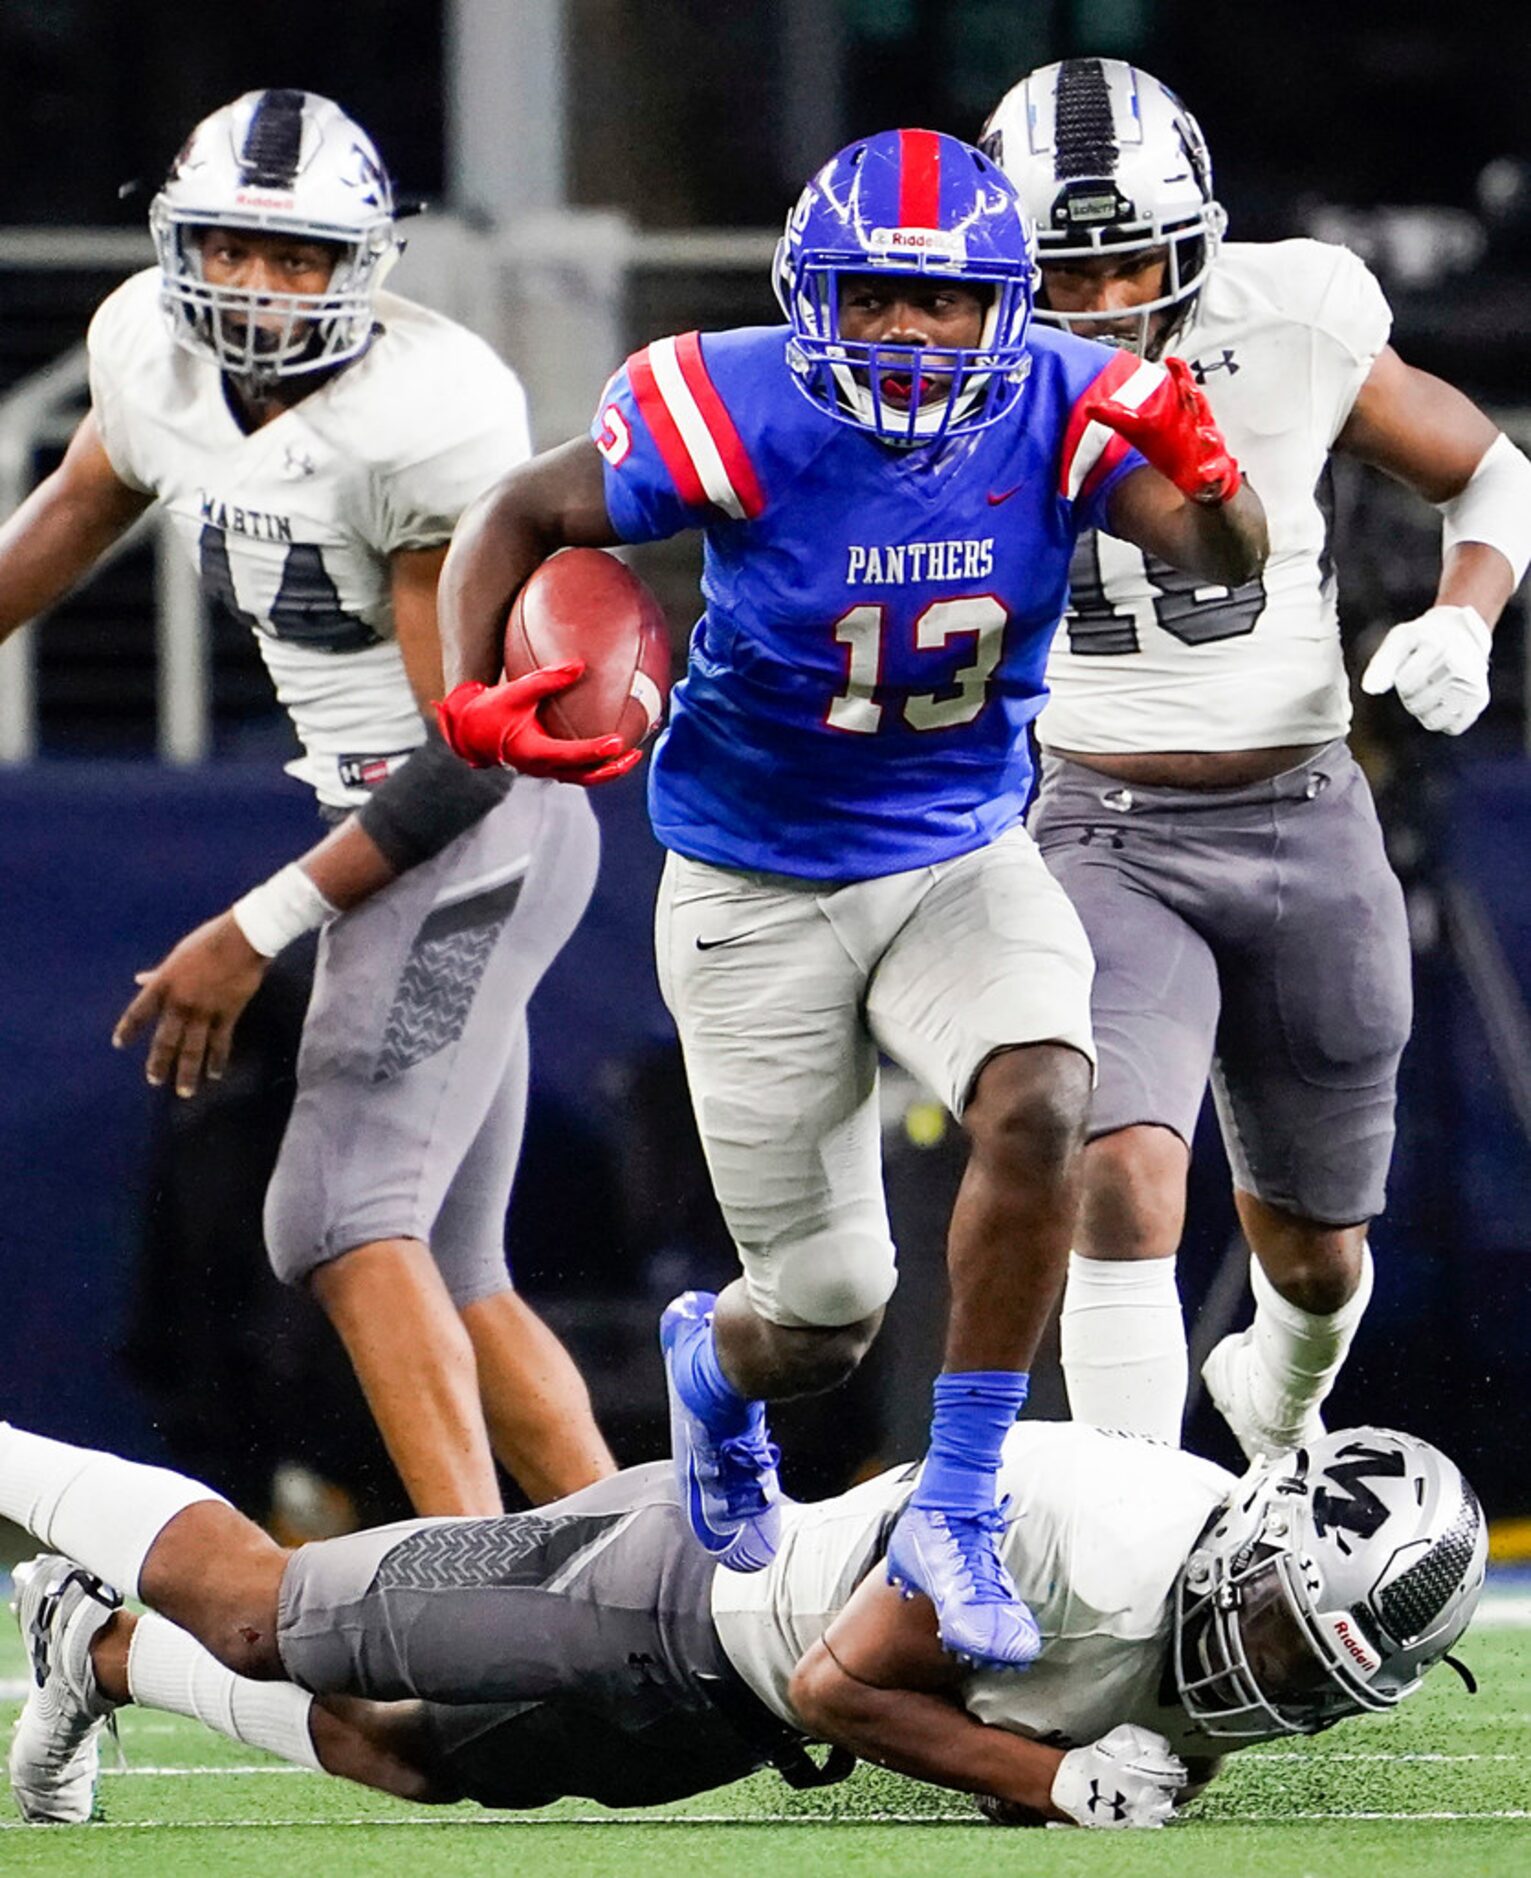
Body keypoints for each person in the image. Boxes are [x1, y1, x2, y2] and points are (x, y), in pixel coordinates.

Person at [429, 127, 1268, 1669]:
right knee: (822, 1316)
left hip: (958, 850)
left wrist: (1215, 472)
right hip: (754, 884)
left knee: (1040, 1102)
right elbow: (516, 516)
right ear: (813, 296)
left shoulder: (1069, 404)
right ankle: (716, 1367)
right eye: (875, 296)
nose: (907, 331)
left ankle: (956, 1501)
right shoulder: (729, 405)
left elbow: (1226, 570)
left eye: (943, 304)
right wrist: (466, 692)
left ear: (1005, 310)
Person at [0, 89, 620, 1516]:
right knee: (455, 1274)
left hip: (471, 829)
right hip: (400, 828)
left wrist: (257, 925)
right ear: (178, 245)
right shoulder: (146, 354)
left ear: (363, 265)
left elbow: (468, 752)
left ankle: (476, 1599)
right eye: (232, 249)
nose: (262, 291)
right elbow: (89, 494)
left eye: (298, 259)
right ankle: (684, 1599)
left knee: (336, 1214)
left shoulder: (425, 413)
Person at [981, 58, 1531, 1455]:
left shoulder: (1290, 314)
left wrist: (1463, 615)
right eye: (1069, 271)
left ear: (1199, 241)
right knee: (1120, 1169)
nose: (1105, 304)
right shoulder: (960, 361)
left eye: (1133, 265)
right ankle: (1136, 1528)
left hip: (1304, 807)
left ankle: (1275, 1405)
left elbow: (1492, 469)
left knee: (1318, 1254)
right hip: (1100, 822)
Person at [0, 1411, 1486, 1828]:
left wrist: (1049, 1785)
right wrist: (1051, 1779)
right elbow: (851, 1686)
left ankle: (97, 1644)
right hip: (664, 1590)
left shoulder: (1237, 1633)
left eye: (1313, 1675)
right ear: (1256, 1540)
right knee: (272, 1619)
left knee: (402, 1756)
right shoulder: (1088, 1534)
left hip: (725, 1716)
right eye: (1284, 1631)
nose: (1266, 1677)